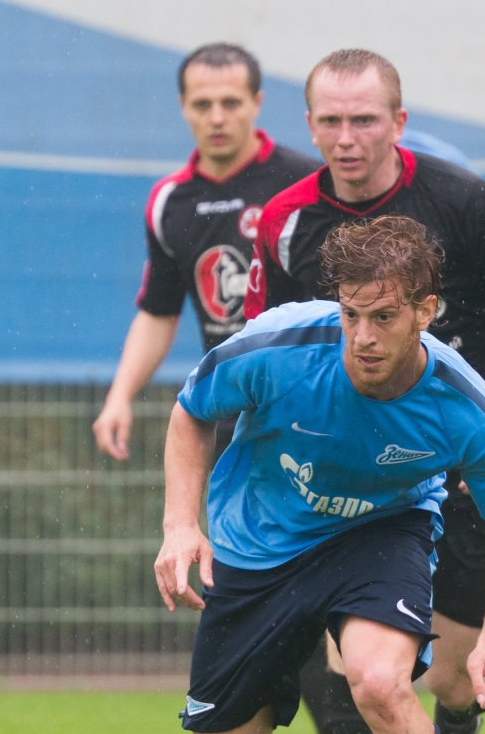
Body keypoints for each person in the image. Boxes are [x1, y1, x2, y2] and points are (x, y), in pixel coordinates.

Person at [156, 215, 485, 734]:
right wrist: (181, 524)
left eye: (385, 317)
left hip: (380, 535)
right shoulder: (280, 346)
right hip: (258, 546)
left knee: (379, 681)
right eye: (352, 315)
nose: (364, 336)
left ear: (426, 313)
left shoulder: (464, 406)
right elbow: (191, 413)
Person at [247, 48, 485, 734]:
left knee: (455, 675)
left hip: (453, 468)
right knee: (345, 662)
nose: (347, 139)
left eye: (365, 120)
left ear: (398, 119)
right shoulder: (282, 221)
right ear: (309, 124)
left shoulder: (462, 201)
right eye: (330, 121)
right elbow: (261, 349)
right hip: (345, 478)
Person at [92, 42, 320, 460]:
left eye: (230, 102)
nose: (216, 117)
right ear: (182, 106)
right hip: (231, 408)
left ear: (257, 103)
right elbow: (159, 312)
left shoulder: (305, 183)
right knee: (231, 527)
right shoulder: (169, 201)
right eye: (202, 104)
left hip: (314, 402)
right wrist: (119, 396)